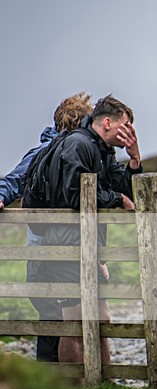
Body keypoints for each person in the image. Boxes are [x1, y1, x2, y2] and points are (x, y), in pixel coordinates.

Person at [41, 95, 141, 367]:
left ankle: (104, 384)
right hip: (66, 244)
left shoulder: (102, 150)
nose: (130, 132)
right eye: (126, 126)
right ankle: (78, 386)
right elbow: (75, 193)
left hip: (89, 246)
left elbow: (120, 187)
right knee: (74, 321)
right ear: (108, 122)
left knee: (101, 318)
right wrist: (117, 200)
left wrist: (133, 160)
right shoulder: (78, 144)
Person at [0, 92, 93, 362]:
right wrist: (2, 195)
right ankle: (56, 376)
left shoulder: (80, 152)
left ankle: (65, 378)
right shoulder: (45, 152)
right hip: (44, 245)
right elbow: (15, 179)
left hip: (63, 244)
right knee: (54, 306)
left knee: (62, 307)